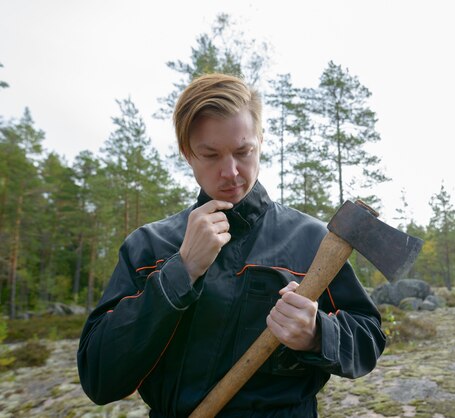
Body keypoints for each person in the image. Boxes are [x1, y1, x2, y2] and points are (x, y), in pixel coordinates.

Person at [77, 73, 386, 417]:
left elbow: (368, 339)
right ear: (187, 153)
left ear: (261, 141)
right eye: (210, 155)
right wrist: (180, 273)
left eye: (243, 151)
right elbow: (99, 377)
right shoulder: (148, 246)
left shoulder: (312, 241)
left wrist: (318, 334)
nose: (231, 172)